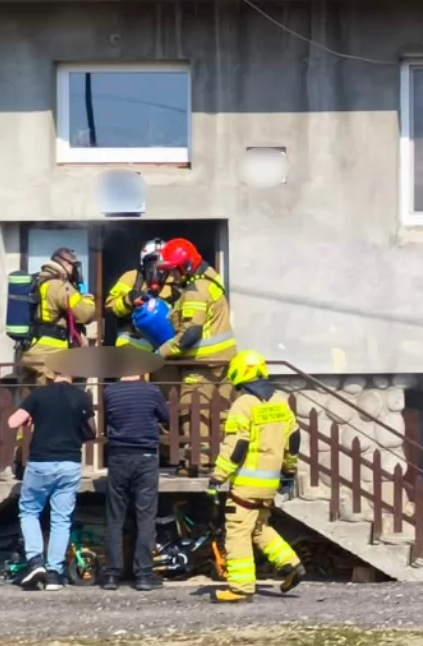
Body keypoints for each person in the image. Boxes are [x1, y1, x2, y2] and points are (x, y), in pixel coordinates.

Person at [207, 350, 304, 603]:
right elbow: (293, 441)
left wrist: (218, 476)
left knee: (237, 531)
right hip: (269, 483)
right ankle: (291, 564)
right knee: (259, 527)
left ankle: (240, 588)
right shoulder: (281, 402)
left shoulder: (243, 404)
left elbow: (236, 445)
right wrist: (288, 473)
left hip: (246, 485)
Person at [7, 370, 95, 591]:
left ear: (51, 373)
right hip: (70, 463)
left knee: (29, 511)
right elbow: (92, 429)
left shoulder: (39, 395)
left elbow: (12, 422)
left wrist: (29, 417)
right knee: (61, 518)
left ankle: (36, 560)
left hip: (40, 462)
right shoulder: (81, 397)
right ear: (72, 374)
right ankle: (55, 573)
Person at [155, 238, 237, 474]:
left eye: (174, 269)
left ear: (187, 266)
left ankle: (197, 464)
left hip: (201, 364)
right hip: (223, 362)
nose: (172, 276)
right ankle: (220, 462)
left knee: (193, 413)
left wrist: (160, 352)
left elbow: (190, 333)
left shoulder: (194, 292)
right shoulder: (211, 278)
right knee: (220, 413)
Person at [101, 372, 170, 591]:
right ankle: (143, 575)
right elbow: (166, 417)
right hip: (146, 457)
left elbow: (109, 419)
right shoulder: (152, 391)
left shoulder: (109, 392)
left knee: (115, 517)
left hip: (118, 456)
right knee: (146, 517)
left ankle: (112, 575)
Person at [19, 248, 96, 385]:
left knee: (30, 403)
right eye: (74, 266)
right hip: (51, 354)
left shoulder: (36, 280)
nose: (74, 270)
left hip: (30, 351)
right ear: (66, 264)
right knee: (50, 402)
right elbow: (86, 314)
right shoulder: (59, 286)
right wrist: (86, 297)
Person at [105, 238, 176, 352]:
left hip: (165, 347)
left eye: (161, 263)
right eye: (152, 263)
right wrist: (128, 300)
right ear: (143, 263)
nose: (156, 269)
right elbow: (109, 307)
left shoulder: (175, 281)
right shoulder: (131, 278)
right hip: (133, 345)